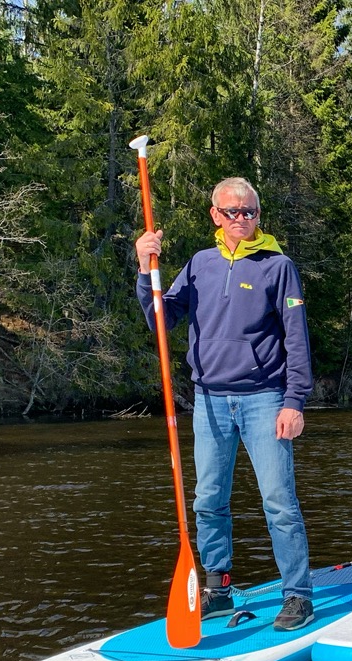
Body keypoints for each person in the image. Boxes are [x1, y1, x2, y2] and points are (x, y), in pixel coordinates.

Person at [134, 177, 316, 631]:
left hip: (265, 399)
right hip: (209, 400)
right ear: (216, 215)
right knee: (208, 500)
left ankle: (297, 595)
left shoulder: (279, 266)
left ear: (259, 214)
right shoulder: (200, 264)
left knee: (279, 502)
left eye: (249, 211)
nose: (241, 219)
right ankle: (218, 588)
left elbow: (297, 338)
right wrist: (144, 268)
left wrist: (294, 401)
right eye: (232, 212)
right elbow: (163, 317)